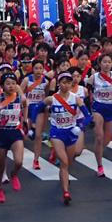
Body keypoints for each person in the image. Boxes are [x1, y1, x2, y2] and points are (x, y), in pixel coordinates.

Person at [42, 72, 92, 205]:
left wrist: (80, 126)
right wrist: (34, 124)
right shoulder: (51, 99)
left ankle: (64, 179)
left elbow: (88, 116)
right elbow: (37, 108)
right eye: (63, 82)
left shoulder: (76, 99)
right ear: (59, 83)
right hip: (57, 132)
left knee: (68, 163)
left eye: (69, 82)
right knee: (64, 162)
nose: (66, 85)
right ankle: (66, 192)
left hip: (71, 131)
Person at [0, 72, 26, 203]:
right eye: (8, 84)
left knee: (19, 161)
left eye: (14, 83)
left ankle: (14, 174)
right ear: (2, 85)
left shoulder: (20, 99)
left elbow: (25, 108)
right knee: (0, 166)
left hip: (15, 132)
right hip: (2, 133)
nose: (11, 86)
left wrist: (24, 122)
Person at [85, 54, 112, 175]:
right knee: (99, 137)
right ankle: (99, 165)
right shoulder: (93, 78)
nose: (107, 64)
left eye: (109, 62)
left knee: (107, 137)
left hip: (111, 108)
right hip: (98, 107)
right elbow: (87, 94)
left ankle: (98, 151)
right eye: (104, 62)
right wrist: (89, 111)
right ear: (100, 64)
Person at [20, 60, 49, 170]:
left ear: (43, 70)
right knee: (26, 134)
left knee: (38, 135)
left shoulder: (46, 81)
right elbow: (20, 92)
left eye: (40, 68)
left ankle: (36, 160)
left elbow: (46, 95)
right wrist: (24, 101)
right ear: (33, 69)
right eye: (36, 68)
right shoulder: (27, 79)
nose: (38, 71)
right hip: (28, 108)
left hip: (39, 108)